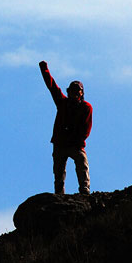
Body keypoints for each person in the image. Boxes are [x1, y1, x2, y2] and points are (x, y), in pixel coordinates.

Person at [39, 60, 92, 194]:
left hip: (74, 144)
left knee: (82, 162)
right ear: (68, 92)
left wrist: (76, 140)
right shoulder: (62, 103)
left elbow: (86, 129)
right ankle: (59, 194)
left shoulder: (86, 107)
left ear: (81, 93)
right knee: (59, 171)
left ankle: (84, 190)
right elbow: (52, 86)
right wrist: (44, 69)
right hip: (60, 143)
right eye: (72, 91)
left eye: (77, 91)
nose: (74, 94)